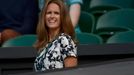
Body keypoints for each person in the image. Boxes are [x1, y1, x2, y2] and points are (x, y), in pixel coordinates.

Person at [34, 0, 77, 72]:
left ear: (63, 17)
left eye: (56, 13)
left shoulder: (64, 40)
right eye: (49, 13)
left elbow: (71, 72)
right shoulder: (44, 44)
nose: (52, 16)